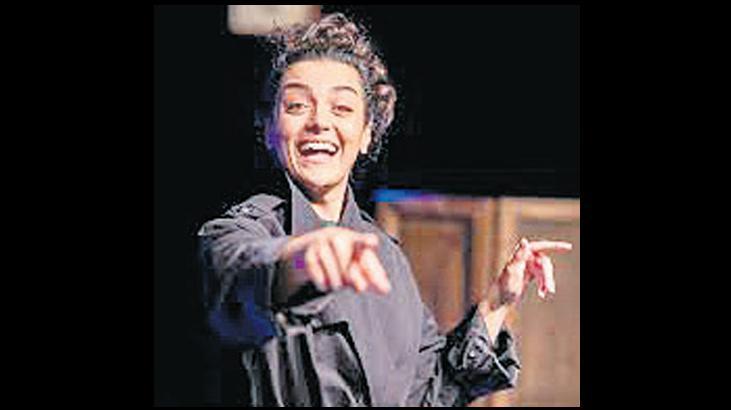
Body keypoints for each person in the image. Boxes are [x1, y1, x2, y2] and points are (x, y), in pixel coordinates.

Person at [198, 12, 572, 406]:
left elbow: (427, 393)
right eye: (297, 105)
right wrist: (301, 260)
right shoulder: (241, 231)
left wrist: (497, 302)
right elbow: (240, 273)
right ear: (269, 129)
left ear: (366, 134)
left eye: (342, 108)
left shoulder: (386, 257)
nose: (319, 121)